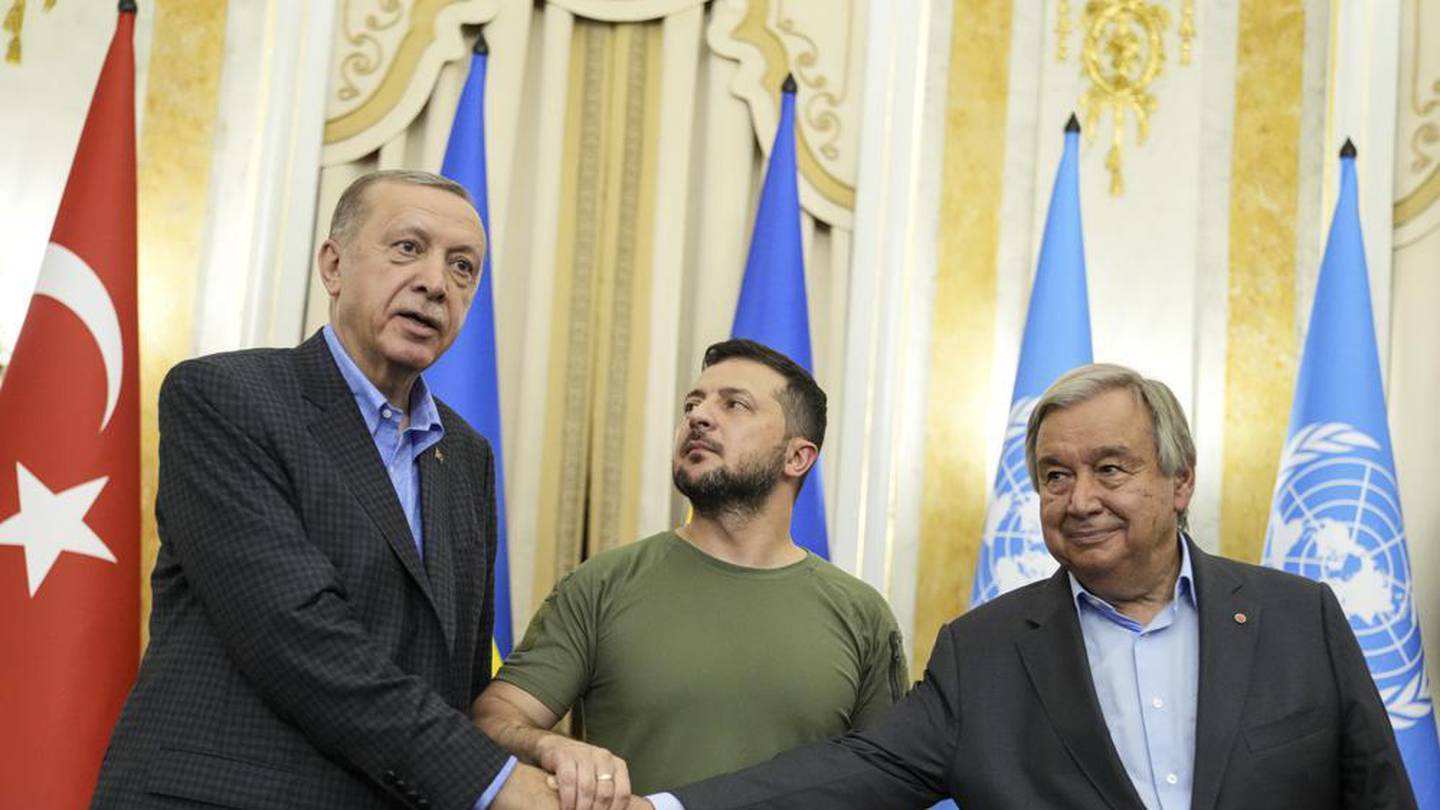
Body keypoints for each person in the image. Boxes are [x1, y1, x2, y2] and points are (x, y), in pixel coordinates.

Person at [643, 363, 1417, 810]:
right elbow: (848, 772)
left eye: (1110, 468)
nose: (1080, 500)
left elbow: (1380, 798)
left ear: (1180, 481)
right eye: (1055, 476)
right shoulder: (984, 655)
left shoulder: (1297, 619)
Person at [93, 170, 558, 809]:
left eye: (463, 268)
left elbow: (457, 677)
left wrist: (533, 749)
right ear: (333, 265)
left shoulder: (468, 457)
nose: (434, 282)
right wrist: (491, 782)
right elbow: (294, 632)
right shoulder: (226, 398)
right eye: (407, 248)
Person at [474, 339, 908, 810]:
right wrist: (549, 746)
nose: (699, 417)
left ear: (797, 458)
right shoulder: (601, 585)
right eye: (692, 404)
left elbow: (886, 781)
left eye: (735, 405)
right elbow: (493, 719)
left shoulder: (863, 615)